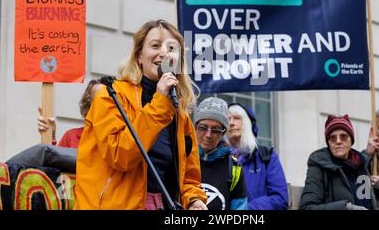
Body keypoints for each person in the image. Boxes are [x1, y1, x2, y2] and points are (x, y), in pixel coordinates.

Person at [74, 19, 207, 210]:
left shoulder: (180, 115)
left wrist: (194, 200)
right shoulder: (111, 96)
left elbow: (189, 178)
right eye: (155, 45)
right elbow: (120, 155)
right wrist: (160, 102)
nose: (163, 53)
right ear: (139, 56)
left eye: (171, 48)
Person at [299, 115, 374, 210]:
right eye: (332, 138)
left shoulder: (361, 165)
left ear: (351, 140)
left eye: (343, 137)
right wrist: (346, 208)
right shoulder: (318, 166)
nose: (338, 141)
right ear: (328, 142)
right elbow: (306, 208)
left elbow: (367, 202)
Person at [227, 103, 289, 210]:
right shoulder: (219, 158)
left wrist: (246, 208)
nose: (231, 123)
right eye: (228, 119)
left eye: (237, 118)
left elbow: (280, 198)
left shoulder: (267, 157)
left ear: (247, 123)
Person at [194, 97, 247, 210]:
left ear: (223, 133)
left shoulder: (233, 168)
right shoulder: (181, 159)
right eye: (203, 127)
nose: (208, 135)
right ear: (194, 127)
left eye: (216, 130)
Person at [37, 79, 103, 148]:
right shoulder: (71, 137)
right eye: (97, 99)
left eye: (106, 99)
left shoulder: (114, 140)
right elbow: (54, 158)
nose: (103, 105)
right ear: (88, 104)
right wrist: (50, 137)